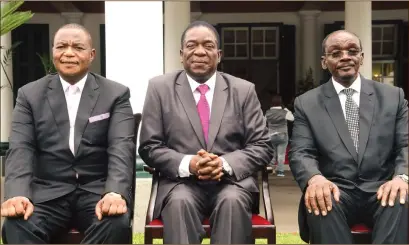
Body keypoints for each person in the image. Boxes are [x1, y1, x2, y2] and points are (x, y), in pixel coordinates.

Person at [138, 20, 274, 244]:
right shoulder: (159, 88)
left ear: (219, 55)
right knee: (180, 202)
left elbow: (262, 146)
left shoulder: (243, 90)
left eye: (208, 46)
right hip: (180, 184)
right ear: (181, 54)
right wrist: (189, 164)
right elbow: (149, 145)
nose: (199, 51)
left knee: (232, 202)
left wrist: (223, 164)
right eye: (192, 45)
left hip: (232, 184)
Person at [1, 23, 135, 244]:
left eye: (77, 47)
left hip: (96, 191)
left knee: (116, 223)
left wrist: (115, 192)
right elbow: (21, 148)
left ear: (91, 54)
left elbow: (121, 147)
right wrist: (17, 193)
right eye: (61, 46)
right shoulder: (29, 95)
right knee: (16, 224)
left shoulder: (115, 94)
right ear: (53, 51)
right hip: (48, 193)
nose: (68, 53)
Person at [289, 30, 408, 244]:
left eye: (352, 51)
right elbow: (301, 152)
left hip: (381, 187)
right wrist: (315, 179)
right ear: (324, 62)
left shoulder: (393, 97)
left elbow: (405, 145)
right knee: (320, 198)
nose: (345, 56)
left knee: (400, 197)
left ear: (361, 57)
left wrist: (401, 177)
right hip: (335, 189)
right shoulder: (307, 103)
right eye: (336, 53)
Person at [265, 94, 294, 177]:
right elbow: (292, 118)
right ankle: (280, 172)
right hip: (282, 135)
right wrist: (287, 110)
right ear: (280, 102)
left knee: (273, 153)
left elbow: (263, 122)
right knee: (281, 154)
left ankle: (270, 169)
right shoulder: (284, 112)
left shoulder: (268, 112)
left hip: (271, 135)